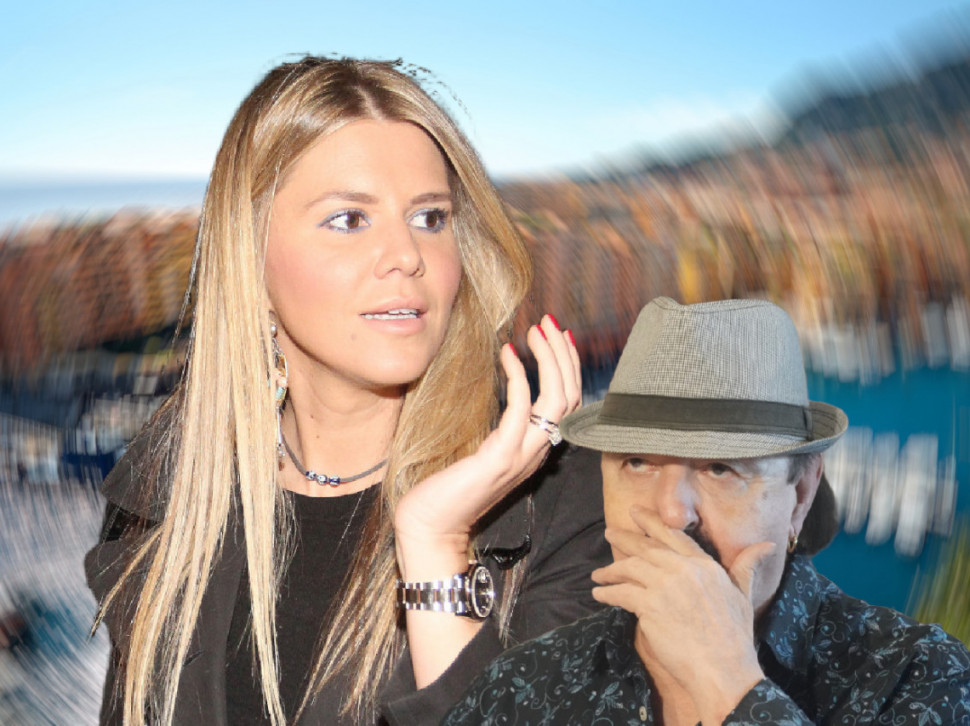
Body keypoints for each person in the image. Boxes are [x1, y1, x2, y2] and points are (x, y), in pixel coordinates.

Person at [84, 56, 611, 726]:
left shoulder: (566, 506)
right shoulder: (171, 494)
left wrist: (436, 548)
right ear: (250, 258)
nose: (407, 255)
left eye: (430, 217)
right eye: (349, 220)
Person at [444, 297, 970, 725]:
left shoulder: (918, 677)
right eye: (637, 462)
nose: (673, 514)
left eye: (721, 468)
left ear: (801, 494)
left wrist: (728, 682)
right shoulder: (524, 686)